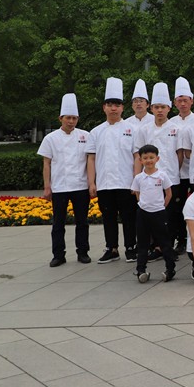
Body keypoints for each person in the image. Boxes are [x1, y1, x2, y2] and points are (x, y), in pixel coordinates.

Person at [37, 93, 94, 267]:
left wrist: (91, 183)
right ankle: (58, 255)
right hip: (59, 186)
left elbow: (90, 161)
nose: (71, 121)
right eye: (68, 118)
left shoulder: (85, 136)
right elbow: (46, 163)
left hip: (80, 185)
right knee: (58, 223)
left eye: (74, 118)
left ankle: (83, 252)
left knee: (82, 222)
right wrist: (47, 186)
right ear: (60, 118)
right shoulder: (50, 138)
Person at [88, 77, 138, 263]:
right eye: (110, 105)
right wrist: (92, 182)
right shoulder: (96, 132)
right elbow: (91, 159)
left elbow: (137, 157)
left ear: (122, 108)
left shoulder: (132, 129)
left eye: (117, 105)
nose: (113, 108)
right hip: (105, 182)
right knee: (108, 217)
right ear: (104, 107)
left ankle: (131, 247)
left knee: (128, 217)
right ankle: (112, 248)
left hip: (126, 182)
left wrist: (136, 180)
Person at [133, 83, 181, 263]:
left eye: (163, 107)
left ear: (169, 108)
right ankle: (156, 247)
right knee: (151, 215)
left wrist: (173, 171)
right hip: (148, 179)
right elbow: (138, 156)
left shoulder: (176, 128)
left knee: (170, 215)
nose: (160, 110)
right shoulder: (144, 130)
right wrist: (137, 179)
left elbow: (179, 155)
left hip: (171, 178)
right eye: (156, 107)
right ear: (151, 108)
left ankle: (168, 247)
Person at [130, 144, 176, 283]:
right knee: (142, 243)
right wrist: (143, 204)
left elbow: (169, 193)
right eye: (145, 158)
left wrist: (161, 206)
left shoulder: (162, 175)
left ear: (157, 158)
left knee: (164, 242)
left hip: (159, 213)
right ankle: (141, 270)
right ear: (140, 160)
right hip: (143, 213)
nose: (149, 160)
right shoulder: (139, 178)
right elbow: (137, 193)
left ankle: (170, 269)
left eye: (151, 157)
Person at [168, 76, 194, 255]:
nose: (183, 104)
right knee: (177, 208)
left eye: (186, 100)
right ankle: (180, 239)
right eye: (179, 101)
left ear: (192, 101)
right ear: (174, 103)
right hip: (177, 174)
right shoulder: (170, 122)